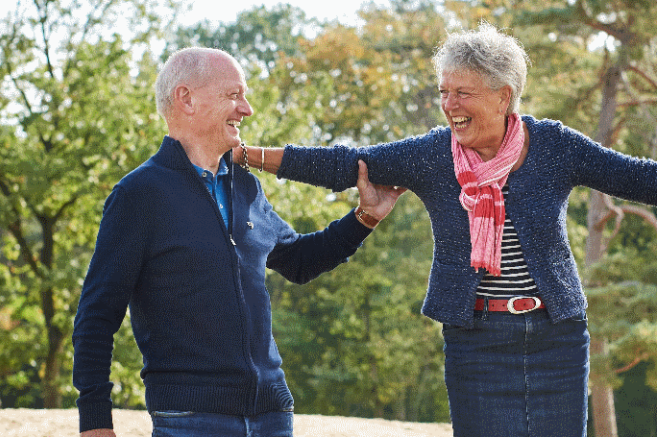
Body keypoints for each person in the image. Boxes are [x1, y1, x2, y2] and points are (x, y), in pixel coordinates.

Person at [233, 24, 657, 437]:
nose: (448, 105)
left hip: (556, 334)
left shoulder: (554, 146)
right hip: (475, 339)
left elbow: (642, 178)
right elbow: (342, 162)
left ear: (504, 96)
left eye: (463, 92)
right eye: (443, 91)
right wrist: (247, 154)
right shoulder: (432, 156)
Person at [71, 47, 406, 437]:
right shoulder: (139, 195)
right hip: (190, 420)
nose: (246, 109)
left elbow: (298, 261)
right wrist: (95, 424)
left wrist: (365, 217)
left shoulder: (246, 186)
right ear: (186, 99)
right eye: (234, 95)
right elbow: (96, 318)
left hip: (272, 415)